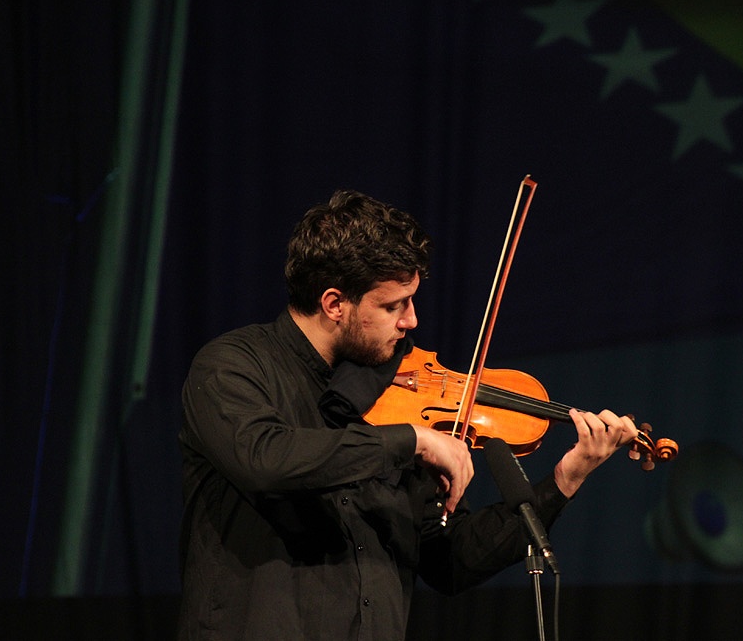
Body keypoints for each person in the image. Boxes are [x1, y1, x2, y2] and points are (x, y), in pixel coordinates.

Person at [177, 190, 638, 640]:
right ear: (334, 304)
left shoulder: (394, 388)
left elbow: (450, 560)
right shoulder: (232, 366)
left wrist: (564, 480)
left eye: (412, 301)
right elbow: (266, 458)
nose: (411, 321)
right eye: (393, 305)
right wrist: (412, 440)